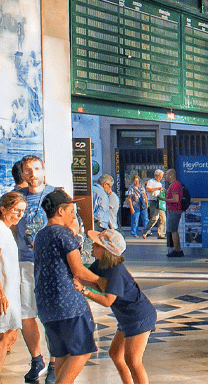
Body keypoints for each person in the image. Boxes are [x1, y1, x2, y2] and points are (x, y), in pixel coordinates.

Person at [33, 189, 104, 384]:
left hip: (47, 306)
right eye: (72, 211)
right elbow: (79, 270)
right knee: (83, 352)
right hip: (69, 305)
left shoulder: (41, 235)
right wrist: (104, 282)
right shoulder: (64, 235)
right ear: (60, 212)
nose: (74, 215)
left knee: (62, 355)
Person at [83, 227, 156, 384]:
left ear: (105, 250)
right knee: (115, 354)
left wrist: (86, 292)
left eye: (96, 245)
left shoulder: (115, 271)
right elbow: (96, 282)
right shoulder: (100, 264)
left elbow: (108, 300)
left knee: (133, 360)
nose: (92, 246)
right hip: (127, 318)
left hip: (139, 316)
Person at [16, 155, 56, 384]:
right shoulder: (15, 198)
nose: (32, 174)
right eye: (28, 170)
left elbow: (72, 225)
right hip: (23, 262)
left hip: (49, 263)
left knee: (49, 314)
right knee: (26, 314)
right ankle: (36, 359)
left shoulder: (54, 195)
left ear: (43, 170)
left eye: (36, 169)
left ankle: (54, 361)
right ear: (22, 174)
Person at [0, 191, 26, 374]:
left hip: (10, 291)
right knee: (7, 336)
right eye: (16, 210)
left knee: (9, 336)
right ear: (3, 209)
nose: (19, 215)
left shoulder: (7, 230)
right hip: (4, 293)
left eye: (22, 211)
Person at [163, 169, 183, 258]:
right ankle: (178, 249)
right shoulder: (173, 185)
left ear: (171, 176)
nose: (165, 176)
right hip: (172, 210)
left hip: (174, 210)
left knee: (173, 230)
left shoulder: (175, 185)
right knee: (173, 230)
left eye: (167, 174)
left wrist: (164, 199)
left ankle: (176, 250)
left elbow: (176, 199)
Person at [142, 170, 165, 240]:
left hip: (160, 200)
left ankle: (161, 233)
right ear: (156, 175)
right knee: (154, 218)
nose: (161, 178)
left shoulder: (160, 183)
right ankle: (145, 231)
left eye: (161, 177)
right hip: (153, 201)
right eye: (160, 177)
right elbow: (148, 189)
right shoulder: (150, 181)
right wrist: (157, 188)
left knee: (163, 218)